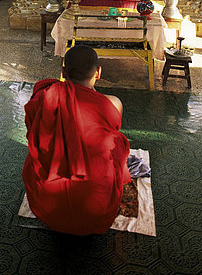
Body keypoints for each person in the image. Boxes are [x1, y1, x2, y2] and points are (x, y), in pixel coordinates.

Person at [22, 45, 131, 236]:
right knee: (119, 142)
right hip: (98, 210)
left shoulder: (45, 96)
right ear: (98, 73)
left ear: (63, 72)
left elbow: (34, 132)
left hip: (47, 206)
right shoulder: (112, 104)